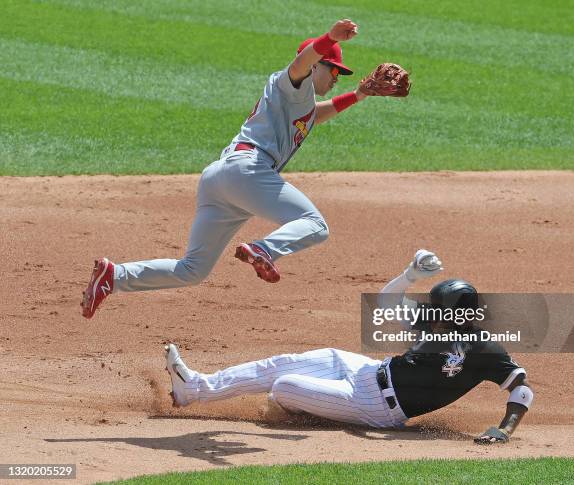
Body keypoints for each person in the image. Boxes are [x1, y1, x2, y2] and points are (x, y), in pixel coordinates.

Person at [81, 19, 408, 319]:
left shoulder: (300, 104)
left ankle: (115, 276)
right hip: (247, 170)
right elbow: (301, 62)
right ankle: (263, 249)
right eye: (333, 69)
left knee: (192, 269)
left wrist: (359, 95)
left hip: (221, 179)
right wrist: (330, 38)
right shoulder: (291, 81)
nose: (337, 77)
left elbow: (315, 116)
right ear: (316, 66)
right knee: (315, 225)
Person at [164, 250, 534, 444]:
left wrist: (505, 428)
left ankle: (301, 409)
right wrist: (410, 275)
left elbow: (522, 388)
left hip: (377, 408)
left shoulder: (484, 348)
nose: (430, 313)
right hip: (365, 370)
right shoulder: (432, 319)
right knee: (282, 363)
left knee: (284, 387)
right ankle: (193, 388)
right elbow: (387, 303)